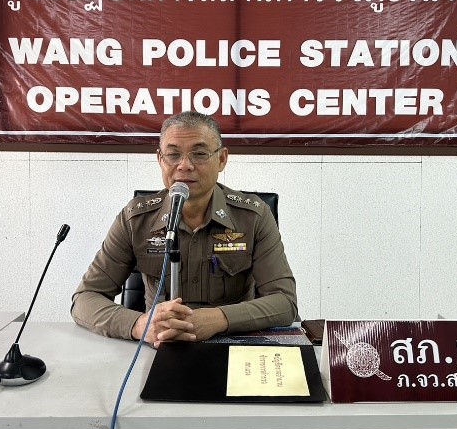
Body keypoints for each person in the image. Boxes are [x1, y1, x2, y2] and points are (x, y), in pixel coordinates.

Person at [71, 111, 298, 346]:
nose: (185, 165)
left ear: (222, 159)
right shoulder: (136, 219)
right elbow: (85, 298)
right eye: (173, 155)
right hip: (159, 346)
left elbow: (285, 302)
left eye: (199, 154)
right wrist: (139, 325)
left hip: (231, 346)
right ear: (160, 159)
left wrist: (219, 318)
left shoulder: (253, 216)